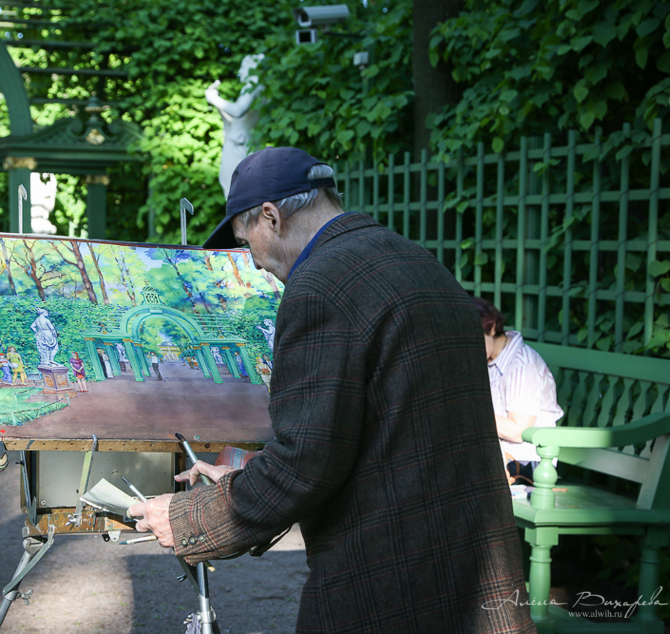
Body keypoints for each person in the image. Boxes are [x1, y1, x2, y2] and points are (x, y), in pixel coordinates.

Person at [128, 147, 534, 633]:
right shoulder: (421, 262)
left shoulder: (320, 286)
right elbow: (387, 426)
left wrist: (187, 518)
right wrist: (245, 472)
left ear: (270, 217)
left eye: (245, 241)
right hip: (475, 571)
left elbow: (306, 463)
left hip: (387, 579)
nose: (253, 263)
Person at [472, 297, 564, 485]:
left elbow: (518, 431)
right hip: (493, 456)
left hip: (530, 463)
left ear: (492, 328)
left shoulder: (523, 364)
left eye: (475, 339)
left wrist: (467, 412)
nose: (470, 348)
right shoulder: (486, 359)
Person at [205, 54, 265, 198]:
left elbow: (237, 111)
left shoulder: (253, 87)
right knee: (237, 189)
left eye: (243, 67)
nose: (240, 72)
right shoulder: (260, 89)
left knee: (235, 189)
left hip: (239, 144)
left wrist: (213, 98)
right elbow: (236, 120)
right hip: (242, 143)